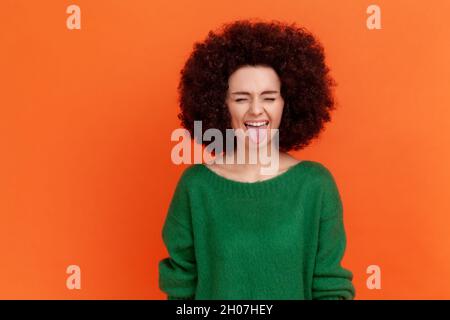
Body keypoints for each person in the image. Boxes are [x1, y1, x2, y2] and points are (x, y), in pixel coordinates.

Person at [158, 19, 355, 300]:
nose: (256, 110)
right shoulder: (196, 186)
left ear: (287, 103)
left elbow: (330, 287)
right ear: (220, 104)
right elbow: (180, 289)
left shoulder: (315, 185)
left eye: (269, 97)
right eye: (241, 99)